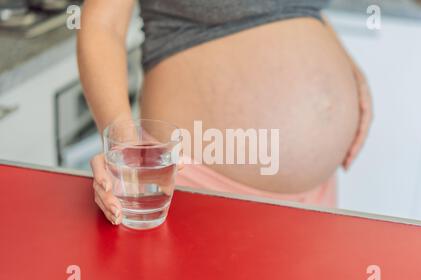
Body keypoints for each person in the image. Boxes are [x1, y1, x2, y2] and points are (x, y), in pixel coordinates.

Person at [77, 0, 372, 225]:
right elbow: (103, 25)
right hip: (199, 181)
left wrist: (350, 70)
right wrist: (124, 146)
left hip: (318, 192)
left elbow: (302, 10)